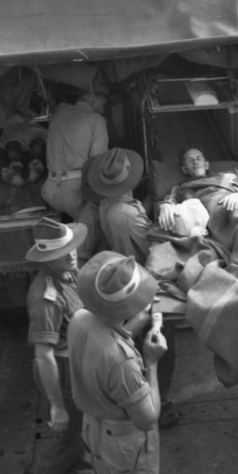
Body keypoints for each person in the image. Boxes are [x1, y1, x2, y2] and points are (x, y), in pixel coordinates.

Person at [68, 252, 167, 474]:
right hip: (125, 444)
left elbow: (109, 340)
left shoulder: (80, 319)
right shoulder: (123, 364)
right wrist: (151, 361)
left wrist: (137, 321)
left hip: (95, 429)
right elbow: (147, 419)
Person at [89, 148, 179, 428]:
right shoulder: (128, 215)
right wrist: (169, 207)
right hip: (142, 283)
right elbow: (153, 243)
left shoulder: (107, 205)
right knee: (161, 345)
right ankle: (157, 404)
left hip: (124, 277)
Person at [22, 218, 100, 474]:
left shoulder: (67, 271)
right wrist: (56, 405)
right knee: (69, 430)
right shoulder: (45, 299)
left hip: (77, 363)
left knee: (78, 429)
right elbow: (44, 356)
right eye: (63, 251)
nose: (72, 254)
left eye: (72, 247)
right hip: (62, 371)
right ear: (46, 257)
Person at [158, 146, 238, 258]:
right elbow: (170, 201)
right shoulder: (181, 188)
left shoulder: (226, 177)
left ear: (206, 164)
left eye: (199, 158)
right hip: (218, 214)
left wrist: (237, 195)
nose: (195, 162)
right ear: (184, 169)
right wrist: (166, 206)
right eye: (190, 160)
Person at [42, 91, 108, 259]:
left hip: (50, 190)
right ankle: (81, 267)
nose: (103, 107)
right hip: (74, 192)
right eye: (103, 101)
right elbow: (97, 161)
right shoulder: (97, 120)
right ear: (93, 99)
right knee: (93, 222)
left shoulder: (60, 111)